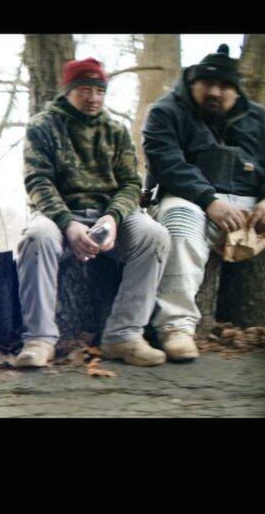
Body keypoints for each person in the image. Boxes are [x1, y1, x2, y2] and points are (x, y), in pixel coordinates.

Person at [15, 58, 170, 369]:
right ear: (69, 90)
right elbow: (38, 181)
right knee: (36, 238)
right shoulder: (42, 126)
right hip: (59, 213)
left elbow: (130, 183)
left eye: (100, 91)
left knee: (155, 235)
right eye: (85, 89)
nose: (94, 98)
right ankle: (39, 339)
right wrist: (68, 224)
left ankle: (123, 335)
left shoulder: (115, 130)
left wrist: (112, 218)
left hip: (109, 213)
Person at [143, 44, 265, 361]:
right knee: (178, 222)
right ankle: (176, 328)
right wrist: (209, 200)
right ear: (192, 82)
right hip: (193, 200)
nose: (214, 92)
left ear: (236, 91)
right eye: (207, 83)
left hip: (255, 207)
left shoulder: (260, 118)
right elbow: (167, 163)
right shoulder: (165, 112)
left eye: (223, 86)